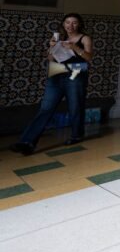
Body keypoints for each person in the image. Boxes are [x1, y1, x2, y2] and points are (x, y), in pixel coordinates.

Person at [11, 13, 94, 155]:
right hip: (55, 74)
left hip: (75, 74)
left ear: (79, 24)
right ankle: (27, 142)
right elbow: (50, 57)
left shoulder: (84, 38)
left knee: (75, 107)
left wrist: (74, 47)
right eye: (67, 22)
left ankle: (76, 135)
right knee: (46, 108)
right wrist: (51, 48)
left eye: (74, 22)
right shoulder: (58, 38)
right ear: (63, 24)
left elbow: (88, 57)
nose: (70, 25)